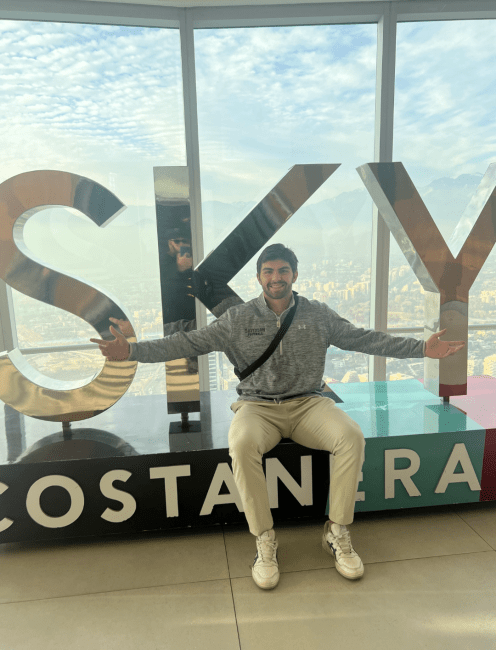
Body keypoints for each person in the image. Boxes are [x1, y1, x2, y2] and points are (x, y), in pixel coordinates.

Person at [90, 243, 465, 590]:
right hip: (257, 406)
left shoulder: (317, 314)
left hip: (308, 404)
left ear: (295, 275)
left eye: (283, 270)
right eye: (268, 271)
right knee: (241, 444)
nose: (276, 278)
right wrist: (132, 351)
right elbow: (187, 343)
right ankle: (264, 539)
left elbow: (363, 339)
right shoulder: (238, 318)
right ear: (258, 278)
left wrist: (421, 349)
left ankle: (336, 531)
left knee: (350, 436)